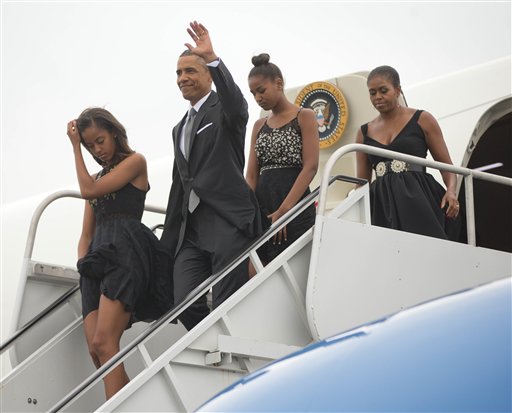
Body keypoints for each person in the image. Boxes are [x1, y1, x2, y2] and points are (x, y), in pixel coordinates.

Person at [160, 21, 263, 331]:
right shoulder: (179, 128)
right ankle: (211, 339)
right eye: (178, 73)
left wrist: (214, 58)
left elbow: (236, 101)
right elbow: (181, 184)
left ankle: (221, 347)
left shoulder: (225, 110)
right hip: (191, 230)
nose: (182, 78)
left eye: (190, 70)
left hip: (226, 222)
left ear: (208, 75)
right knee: (183, 303)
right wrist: (170, 237)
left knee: (226, 301)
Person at [66, 107, 172, 399]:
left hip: (124, 250)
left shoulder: (135, 162)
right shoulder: (97, 177)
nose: (96, 149)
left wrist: (74, 147)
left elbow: (88, 190)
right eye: (89, 145)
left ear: (114, 132)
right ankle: (130, 402)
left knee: (105, 341)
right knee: (96, 350)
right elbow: (86, 233)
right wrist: (82, 263)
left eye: (99, 140)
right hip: (95, 260)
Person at [356, 65, 460, 240]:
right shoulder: (363, 132)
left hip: (419, 196)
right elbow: (361, 182)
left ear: (397, 90)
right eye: (372, 93)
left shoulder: (423, 119)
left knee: (428, 246)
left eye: (383, 90)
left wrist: (451, 192)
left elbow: (447, 166)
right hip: (382, 203)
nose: (378, 97)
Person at [246, 53, 319, 267]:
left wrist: (285, 210)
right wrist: (248, 211)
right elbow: (251, 176)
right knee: (255, 270)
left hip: (293, 205)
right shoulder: (259, 125)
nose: (258, 97)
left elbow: (311, 167)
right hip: (263, 207)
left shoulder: (304, 116)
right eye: (253, 93)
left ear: (279, 83)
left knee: (292, 270)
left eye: (261, 90)